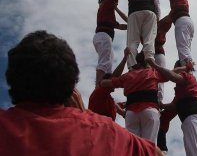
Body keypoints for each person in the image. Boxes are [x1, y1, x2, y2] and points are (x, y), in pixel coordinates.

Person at [0, 30, 163, 156]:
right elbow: (155, 153)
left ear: (12, 78)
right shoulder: (102, 129)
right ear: (72, 84)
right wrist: (84, 116)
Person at [99, 0, 171, 68]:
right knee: (149, 39)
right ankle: (149, 62)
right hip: (149, 12)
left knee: (133, 41)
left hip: (134, 13)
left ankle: (132, 66)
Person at [100, 51, 168, 144]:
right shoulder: (153, 73)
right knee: (149, 147)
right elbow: (171, 75)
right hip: (150, 111)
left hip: (131, 114)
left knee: (134, 148)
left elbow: (104, 83)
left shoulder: (127, 75)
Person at [149, 60, 197, 156]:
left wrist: (155, 66)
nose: (175, 70)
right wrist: (161, 105)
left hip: (192, 119)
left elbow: (171, 75)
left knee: (195, 153)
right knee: (192, 152)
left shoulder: (188, 78)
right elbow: (173, 106)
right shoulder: (182, 91)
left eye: (176, 68)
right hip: (191, 120)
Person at [93, 0, 128, 86]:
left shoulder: (106, 13)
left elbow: (119, 26)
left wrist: (132, 25)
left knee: (108, 62)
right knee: (104, 62)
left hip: (101, 36)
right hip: (104, 36)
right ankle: (99, 87)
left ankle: (104, 84)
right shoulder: (107, 4)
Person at [88, 48, 130, 120]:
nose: (114, 82)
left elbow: (115, 105)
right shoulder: (100, 90)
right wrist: (125, 57)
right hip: (98, 127)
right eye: (112, 80)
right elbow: (115, 76)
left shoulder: (107, 98)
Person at [165, 0, 194, 66]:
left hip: (182, 21)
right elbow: (168, 18)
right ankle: (186, 65)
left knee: (182, 47)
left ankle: (187, 67)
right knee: (186, 47)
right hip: (187, 21)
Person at [154, 15, 173, 102]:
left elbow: (171, 15)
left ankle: (159, 100)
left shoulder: (160, 25)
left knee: (160, 76)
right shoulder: (145, 26)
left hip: (157, 53)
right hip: (148, 55)